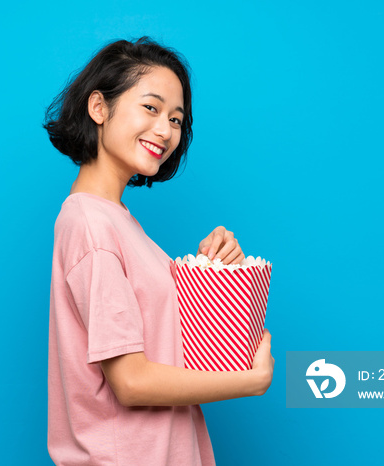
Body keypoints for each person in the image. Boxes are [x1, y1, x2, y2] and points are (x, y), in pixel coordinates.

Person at [44, 36, 275, 466]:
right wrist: (249, 381)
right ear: (99, 107)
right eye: (151, 108)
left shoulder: (118, 222)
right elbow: (130, 382)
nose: (165, 130)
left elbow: (164, 343)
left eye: (175, 118)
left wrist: (212, 272)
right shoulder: (92, 224)